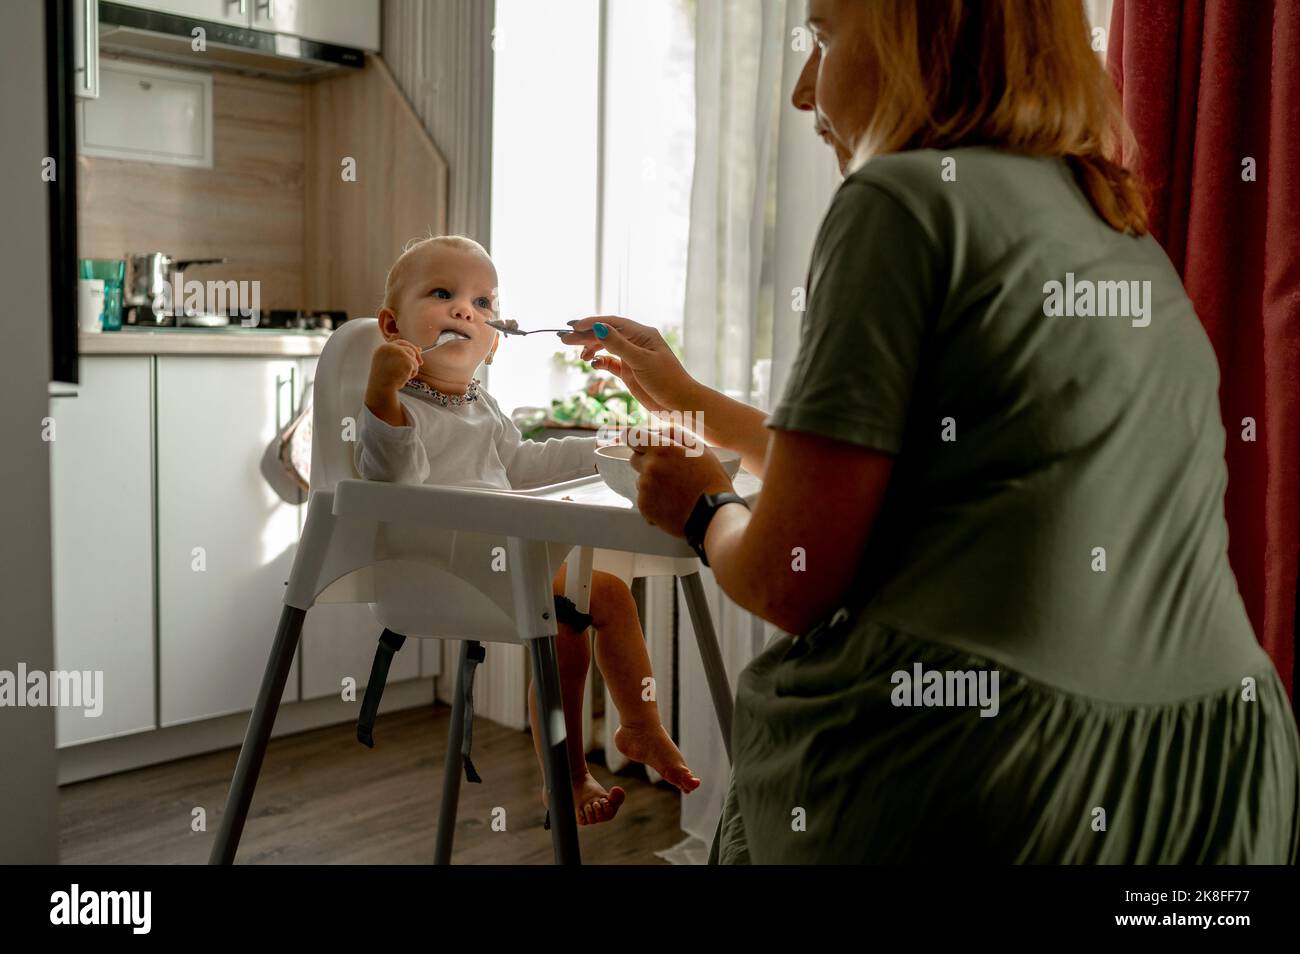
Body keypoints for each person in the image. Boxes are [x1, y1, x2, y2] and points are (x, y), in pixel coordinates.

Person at [560, 0, 1300, 863]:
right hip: (1216, 770)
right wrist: (687, 395)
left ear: (920, 33)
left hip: (998, 766)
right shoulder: (1111, 222)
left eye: (822, 38)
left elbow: (787, 577)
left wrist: (702, 506)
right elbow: (905, 467)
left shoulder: (901, 197)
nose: (804, 93)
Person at [355, 234, 700, 828]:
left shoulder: (483, 407)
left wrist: (601, 450)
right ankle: (592, 758)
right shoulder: (399, 405)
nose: (467, 309)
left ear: (493, 341)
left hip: (498, 557)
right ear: (392, 325)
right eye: (444, 294)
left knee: (593, 600)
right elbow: (391, 479)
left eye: (484, 302)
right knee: (581, 601)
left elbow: (523, 467)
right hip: (435, 565)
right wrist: (381, 392)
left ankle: (616, 742)